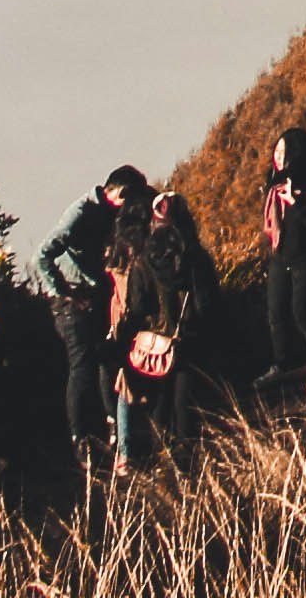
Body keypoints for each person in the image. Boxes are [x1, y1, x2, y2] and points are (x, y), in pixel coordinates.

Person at [37, 164, 150, 458]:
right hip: (73, 301)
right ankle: (80, 439)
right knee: (82, 366)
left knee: (105, 360)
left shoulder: (110, 212)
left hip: (97, 296)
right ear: (121, 194)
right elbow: (43, 254)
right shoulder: (80, 213)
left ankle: (110, 425)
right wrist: (63, 292)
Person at [109, 188, 222, 473]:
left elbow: (136, 307)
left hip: (156, 343)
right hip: (188, 340)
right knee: (185, 404)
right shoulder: (197, 259)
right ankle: (186, 464)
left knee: (160, 401)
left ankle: (163, 460)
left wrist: (124, 337)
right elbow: (208, 305)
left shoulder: (145, 261)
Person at [258, 131, 306, 398]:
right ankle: (283, 363)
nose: (278, 158)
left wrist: (297, 202)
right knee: (276, 311)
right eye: (276, 152)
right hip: (281, 257)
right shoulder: (275, 185)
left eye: (284, 153)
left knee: (302, 311)